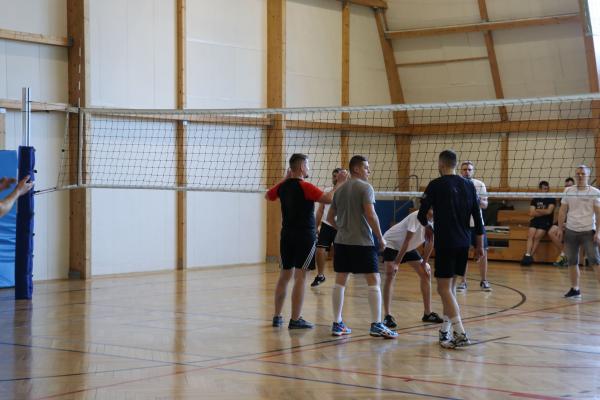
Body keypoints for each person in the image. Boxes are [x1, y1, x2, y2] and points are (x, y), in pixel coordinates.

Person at [266, 154, 347, 329]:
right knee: (301, 277)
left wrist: (285, 179)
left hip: (286, 235)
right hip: (304, 236)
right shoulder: (305, 186)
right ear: (302, 167)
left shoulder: (283, 187)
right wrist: (339, 183)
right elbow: (329, 198)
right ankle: (295, 319)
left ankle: (277, 316)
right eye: (308, 165)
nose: (309, 168)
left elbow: (268, 195)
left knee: (284, 275)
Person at [418, 150, 484, 349]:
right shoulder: (469, 185)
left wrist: (428, 227)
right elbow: (478, 219)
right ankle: (444, 331)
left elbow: (421, 215)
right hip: (464, 242)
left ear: (441, 164)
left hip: (446, 242)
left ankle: (461, 333)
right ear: (456, 165)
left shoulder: (435, 185)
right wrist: (479, 246)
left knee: (443, 289)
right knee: (451, 288)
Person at [326, 155, 397, 338]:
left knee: (340, 280)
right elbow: (371, 215)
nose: (369, 171)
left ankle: (337, 323)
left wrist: (343, 229)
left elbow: (329, 218)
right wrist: (380, 238)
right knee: (374, 280)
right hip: (362, 242)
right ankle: (377, 325)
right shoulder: (366, 187)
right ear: (356, 169)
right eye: (366, 167)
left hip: (341, 242)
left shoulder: (339, 190)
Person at [381, 209, 443, 329]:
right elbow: (407, 240)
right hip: (392, 244)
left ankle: (428, 313)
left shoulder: (437, 220)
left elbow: (430, 242)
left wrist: (424, 263)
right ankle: (387, 316)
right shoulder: (416, 216)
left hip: (407, 248)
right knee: (390, 274)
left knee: (425, 273)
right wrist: (397, 263)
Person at [556, 165, 600, 299]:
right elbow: (562, 211)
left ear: (588, 175)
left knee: (595, 261)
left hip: (588, 231)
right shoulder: (568, 190)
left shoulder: (594, 192)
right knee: (572, 262)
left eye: (583, 174)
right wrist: (559, 228)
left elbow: (599, 214)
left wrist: (598, 232)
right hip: (571, 230)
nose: (580, 176)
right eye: (578, 174)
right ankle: (575, 289)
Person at [456, 161, 491, 292]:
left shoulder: (479, 184)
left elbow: (485, 205)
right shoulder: (456, 185)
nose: (467, 172)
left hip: (477, 224)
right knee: (462, 253)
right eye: (464, 169)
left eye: (469, 169)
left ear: (473, 171)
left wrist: (476, 199)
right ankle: (463, 282)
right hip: (462, 224)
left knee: (483, 252)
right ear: (461, 171)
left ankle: (484, 281)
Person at [311, 168, 343, 287]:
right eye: (334, 176)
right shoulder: (328, 191)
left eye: (338, 176)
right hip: (327, 225)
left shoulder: (348, 191)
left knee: (340, 253)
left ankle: (341, 277)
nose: (335, 178)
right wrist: (315, 227)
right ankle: (320, 276)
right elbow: (320, 210)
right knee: (320, 250)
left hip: (341, 226)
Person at [520, 181, 556, 266]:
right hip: (536, 220)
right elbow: (531, 213)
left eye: (547, 188)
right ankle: (527, 254)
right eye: (544, 189)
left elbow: (549, 212)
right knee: (530, 235)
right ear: (540, 189)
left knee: (537, 237)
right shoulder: (535, 199)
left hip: (546, 221)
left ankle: (530, 257)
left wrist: (538, 210)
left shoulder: (551, 199)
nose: (546, 190)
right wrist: (543, 211)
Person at [549, 177, 575, 266]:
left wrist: (567, 223)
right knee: (551, 232)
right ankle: (565, 252)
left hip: (572, 221)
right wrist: (560, 223)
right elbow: (560, 212)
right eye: (566, 186)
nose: (567, 188)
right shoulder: (562, 196)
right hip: (562, 220)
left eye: (569, 186)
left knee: (567, 233)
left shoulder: (577, 196)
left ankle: (563, 256)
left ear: (573, 186)